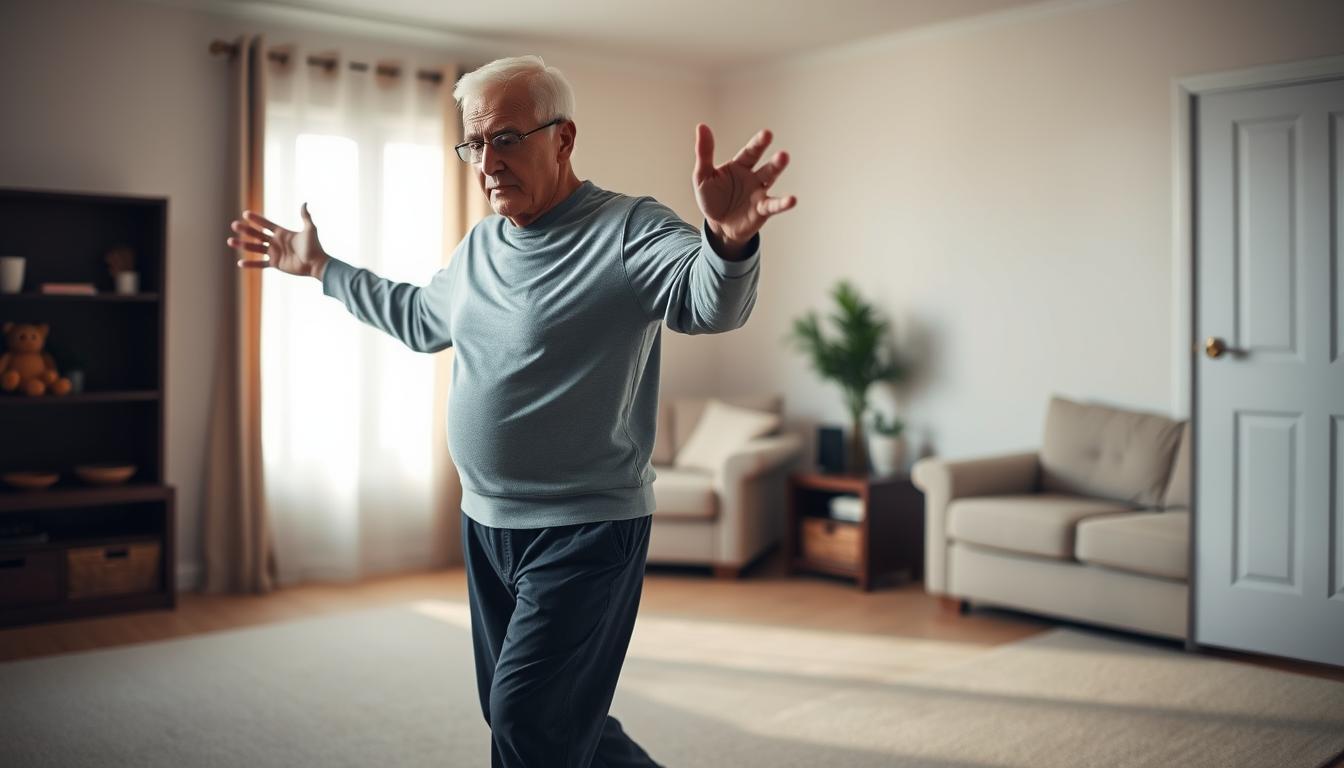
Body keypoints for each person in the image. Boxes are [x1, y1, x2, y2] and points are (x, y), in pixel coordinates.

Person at [225, 54, 795, 768]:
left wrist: (729, 242)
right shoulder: (480, 246)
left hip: (585, 529)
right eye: (474, 144)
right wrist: (322, 268)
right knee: (535, 715)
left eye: (506, 138)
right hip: (488, 524)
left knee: (526, 717)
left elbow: (708, 303)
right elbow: (419, 318)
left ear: (564, 138)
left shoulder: (627, 229)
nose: (488, 162)